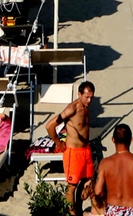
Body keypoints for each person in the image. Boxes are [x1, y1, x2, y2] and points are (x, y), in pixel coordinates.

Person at [46, 81, 96, 216]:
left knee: (86, 180)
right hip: (73, 153)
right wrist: (58, 143)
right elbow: (49, 125)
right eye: (86, 97)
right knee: (72, 187)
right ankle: (71, 213)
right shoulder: (72, 109)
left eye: (91, 97)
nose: (89, 100)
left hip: (86, 150)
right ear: (79, 94)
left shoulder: (86, 107)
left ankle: (78, 210)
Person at [93, 125, 133, 216]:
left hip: (113, 211)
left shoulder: (105, 163)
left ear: (113, 139)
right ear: (131, 139)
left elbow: (98, 191)